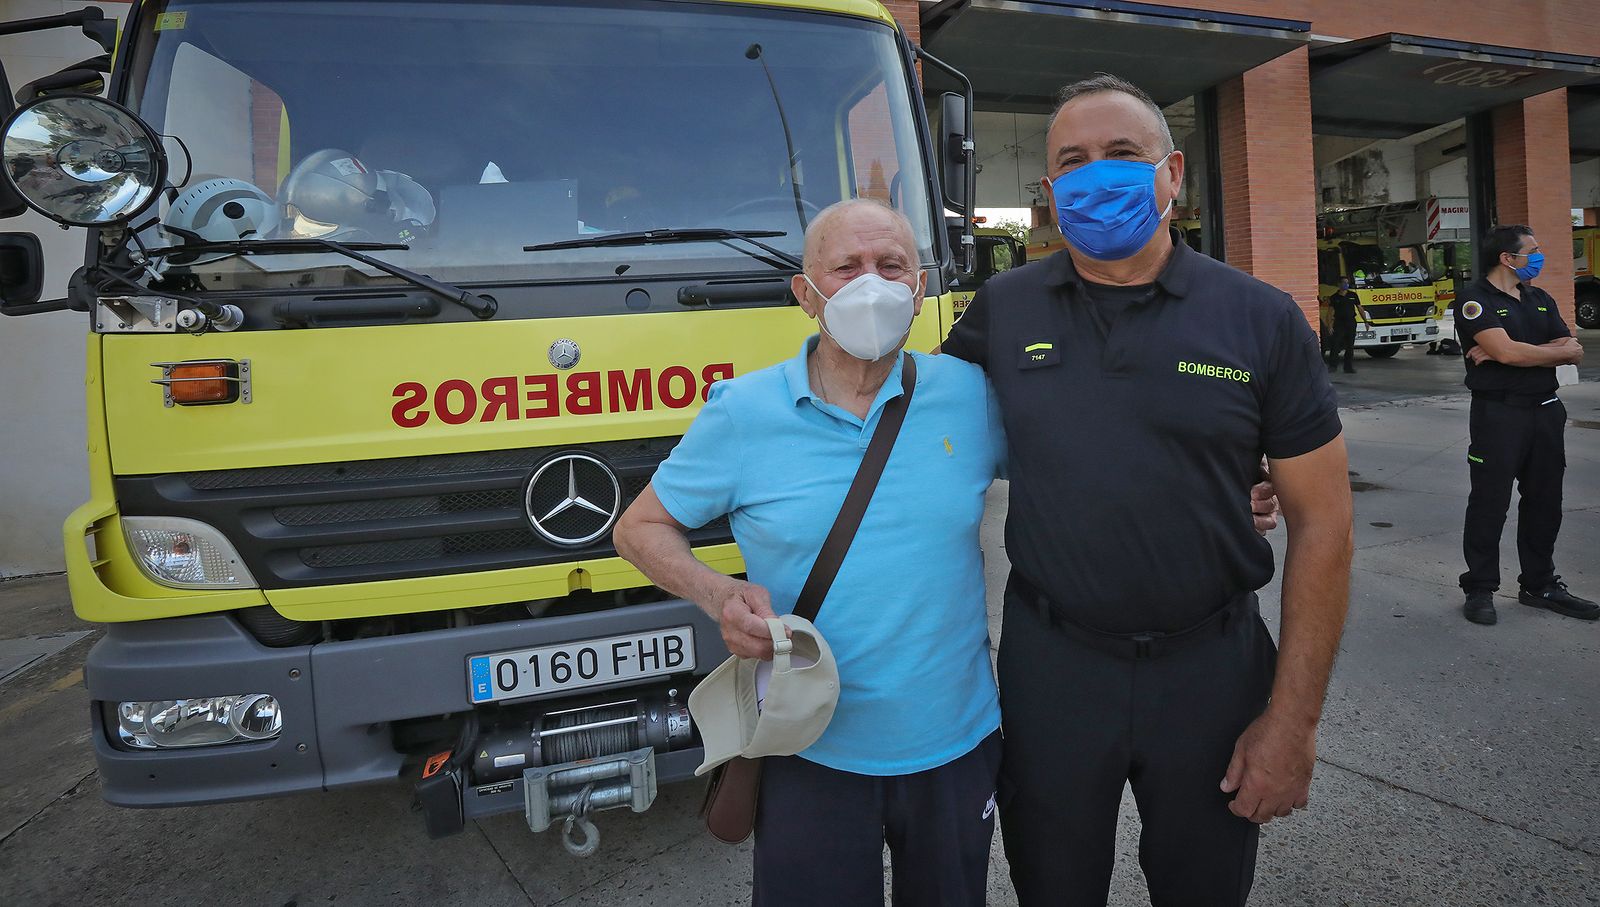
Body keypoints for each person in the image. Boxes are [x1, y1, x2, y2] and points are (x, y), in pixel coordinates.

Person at [940, 74, 1353, 906]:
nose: (1099, 174)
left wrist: (1294, 722)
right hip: (1054, 665)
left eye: (1122, 155)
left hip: (1212, 666)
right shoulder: (1003, 309)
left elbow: (1326, 526)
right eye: (1074, 161)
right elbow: (912, 439)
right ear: (1050, 194)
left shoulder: (1260, 318)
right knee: (1052, 885)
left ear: (1173, 175)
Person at [611, 199, 1004, 905]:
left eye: (891, 266)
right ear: (806, 293)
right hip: (805, 745)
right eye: (847, 267)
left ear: (918, 290)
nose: (871, 285)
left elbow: (1076, 468)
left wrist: (1236, 489)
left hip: (954, 742)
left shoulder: (972, 395)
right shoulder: (743, 411)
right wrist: (716, 593)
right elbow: (638, 528)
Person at [1452, 225, 1595, 625]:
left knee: (1545, 501)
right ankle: (1480, 587)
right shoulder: (1474, 300)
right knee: (1489, 502)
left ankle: (1540, 584)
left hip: (1546, 412)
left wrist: (1511, 352)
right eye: (1533, 250)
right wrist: (1518, 353)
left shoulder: (1539, 297)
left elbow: (1574, 349)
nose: (1539, 255)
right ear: (1507, 258)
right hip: (1499, 415)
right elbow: (1511, 354)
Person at [1326, 277, 1367, 373]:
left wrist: (1366, 321)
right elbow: (1330, 312)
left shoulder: (1353, 295)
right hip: (1339, 323)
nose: (1346, 284)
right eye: (1344, 283)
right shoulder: (1334, 297)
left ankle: (1348, 367)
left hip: (1351, 322)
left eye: (1347, 283)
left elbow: (1360, 308)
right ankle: (1333, 366)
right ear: (1339, 284)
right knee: (1335, 344)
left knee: (1350, 346)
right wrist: (1329, 325)